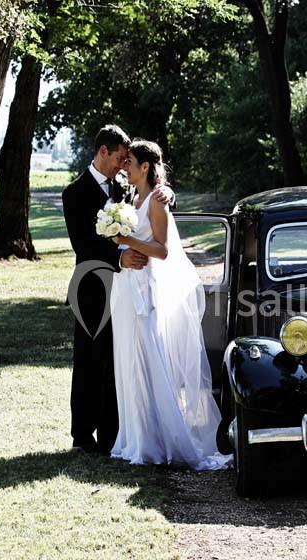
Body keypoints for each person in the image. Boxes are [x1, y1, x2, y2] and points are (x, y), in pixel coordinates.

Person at [108, 140, 231, 470]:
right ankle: (140, 435)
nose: (125, 166)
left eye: (130, 161)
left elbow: (162, 250)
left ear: (145, 166)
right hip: (130, 287)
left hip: (147, 293)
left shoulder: (156, 202)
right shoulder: (135, 197)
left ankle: (162, 440)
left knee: (151, 359)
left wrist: (124, 239)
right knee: (134, 362)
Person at [62, 124, 172, 453]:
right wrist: (119, 257)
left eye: (128, 159)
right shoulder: (75, 193)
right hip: (92, 286)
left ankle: (113, 433)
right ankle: (82, 435)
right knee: (88, 360)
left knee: (116, 359)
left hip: (126, 291)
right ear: (103, 152)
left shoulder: (123, 187)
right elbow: (82, 244)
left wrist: (168, 193)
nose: (123, 165)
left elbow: (150, 205)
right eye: (119, 158)